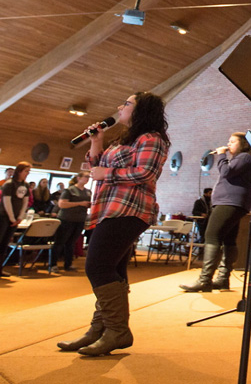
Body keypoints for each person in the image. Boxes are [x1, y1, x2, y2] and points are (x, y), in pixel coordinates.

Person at [57, 92, 169, 356]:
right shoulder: (124, 139)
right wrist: (97, 141)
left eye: (127, 104)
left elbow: (145, 173)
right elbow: (93, 166)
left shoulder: (151, 138)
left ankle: (117, 331)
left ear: (142, 111)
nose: (120, 107)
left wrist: (106, 173)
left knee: (97, 266)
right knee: (113, 271)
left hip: (130, 210)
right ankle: (102, 330)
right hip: (108, 209)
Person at [180, 132, 251, 292]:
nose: (228, 144)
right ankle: (222, 279)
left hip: (230, 202)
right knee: (229, 240)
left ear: (243, 144)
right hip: (231, 202)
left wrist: (221, 156)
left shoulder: (245, 158)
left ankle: (204, 280)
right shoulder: (240, 159)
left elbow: (226, 172)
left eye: (232, 142)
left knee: (212, 236)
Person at [0, 162, 31, 278]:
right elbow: (6, 202)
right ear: (19, 171)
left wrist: (20, 217)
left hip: (15, 218)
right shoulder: (9, 184)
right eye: (26, 171)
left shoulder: (25, 185)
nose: (27, 174)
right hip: (3, 216)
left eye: (28, 172)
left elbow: (25, 202)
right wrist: (11, 218)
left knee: (5, 242)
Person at [53, 171, 91, 273]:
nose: (87, 178)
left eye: (89, 177)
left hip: (79, 220)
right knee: (60, 242)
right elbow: (62, 204)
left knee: (71, 243)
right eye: (86, 176)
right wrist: (80, 203)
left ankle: (68, 264)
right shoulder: (69, 190)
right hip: (66, 219)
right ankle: (53, 264)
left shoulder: (88, 192)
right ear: (79, 178)